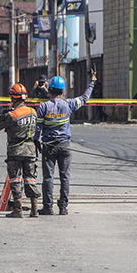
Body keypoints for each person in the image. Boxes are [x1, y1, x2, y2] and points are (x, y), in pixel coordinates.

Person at [34, 70, 96, 216]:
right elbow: (85, 98)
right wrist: (92, 83)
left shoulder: (43, 107)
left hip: (49, 146)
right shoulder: (69, 104)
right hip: (65, 146)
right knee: (65, 177)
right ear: (62, 91)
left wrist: (36, 141)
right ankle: (63, 207)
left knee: (48, 177)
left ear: (49, 90)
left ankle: (48, 207)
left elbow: (38, 128)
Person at [0, 84, 41, 218]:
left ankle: (18, 210)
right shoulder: (33, 112)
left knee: (16, 179)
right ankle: (34, 209)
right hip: (31, 150)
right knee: (30, 179)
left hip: (15, 150)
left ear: (13, 98)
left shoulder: (12, 115)